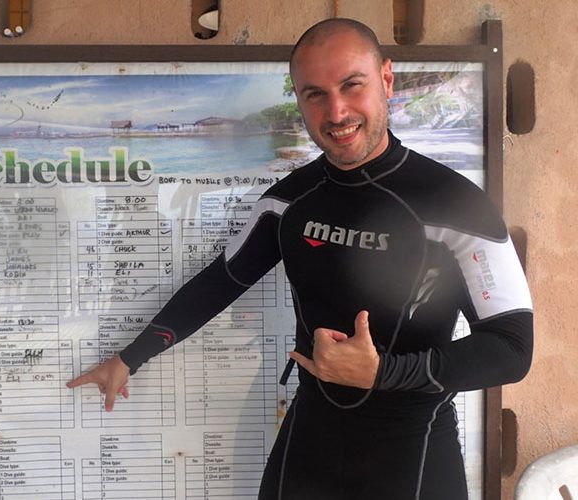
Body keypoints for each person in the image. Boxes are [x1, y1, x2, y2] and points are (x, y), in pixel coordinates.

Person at [67, 18, 533, 500]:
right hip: (311, 441)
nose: (337, 111)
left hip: (415, 452)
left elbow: (513, 349)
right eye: (315, 94)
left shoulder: (457, 205)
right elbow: (221, 281)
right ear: (299, 99)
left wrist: (383, 374)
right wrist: (130, 357)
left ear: (386, 79)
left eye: (352, 85)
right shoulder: (288, 202)